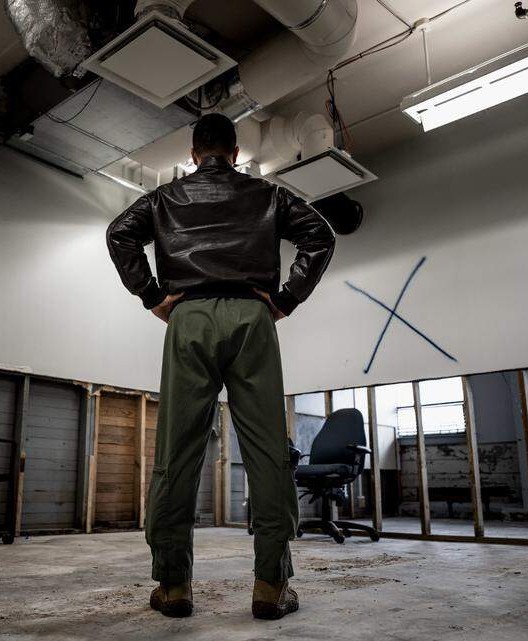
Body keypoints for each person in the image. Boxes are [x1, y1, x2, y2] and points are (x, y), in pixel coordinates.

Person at [105, 113, 335, 620]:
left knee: (177, 451)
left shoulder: (166, 198)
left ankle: (172, 588)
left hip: (187, 317)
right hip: (252, 318)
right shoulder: (268, 195)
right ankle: (270, 589)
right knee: (269, 452)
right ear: (235, 153)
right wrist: (285, 299)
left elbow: (119, 234)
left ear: (193, 154)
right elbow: (320, 236)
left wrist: (152, 297)